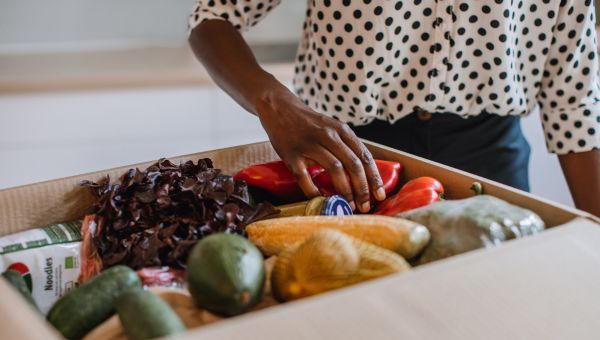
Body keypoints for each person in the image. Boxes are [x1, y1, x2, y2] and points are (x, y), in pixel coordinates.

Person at [188, 1, 600, 216]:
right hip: (341, 158)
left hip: (489, 165)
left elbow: (575, 105)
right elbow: (213, 16)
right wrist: (272, 101)